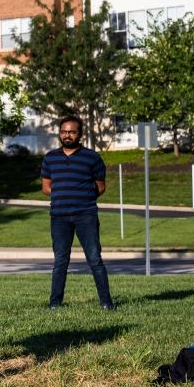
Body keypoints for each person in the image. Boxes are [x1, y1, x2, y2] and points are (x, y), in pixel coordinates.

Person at [40, 115, 114, 311]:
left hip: (86, 215)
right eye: (64, 131)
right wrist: (63, 196)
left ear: (80, 134)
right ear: (59, 133)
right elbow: (46, 187)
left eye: (72, 132)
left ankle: (106, 302)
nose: (67, 135)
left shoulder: (92, 157)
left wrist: (82, 198)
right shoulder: (50, 158)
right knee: (60, 261)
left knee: (94, 259)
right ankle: (55, 303)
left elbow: (100, 187)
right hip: (59, 217)